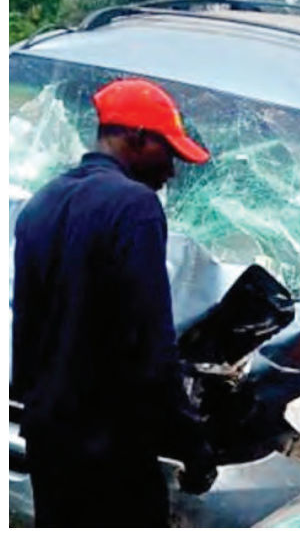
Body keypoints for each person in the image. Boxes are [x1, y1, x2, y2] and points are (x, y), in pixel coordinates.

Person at [11, 78, 218, 527]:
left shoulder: (40, 203)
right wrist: (192, 444)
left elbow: (23, 325)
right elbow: (151, 345)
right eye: (169, 152)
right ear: (137, 138)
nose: (173, 171)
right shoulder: (135, 206)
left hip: (50, 445)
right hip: (111, 454)